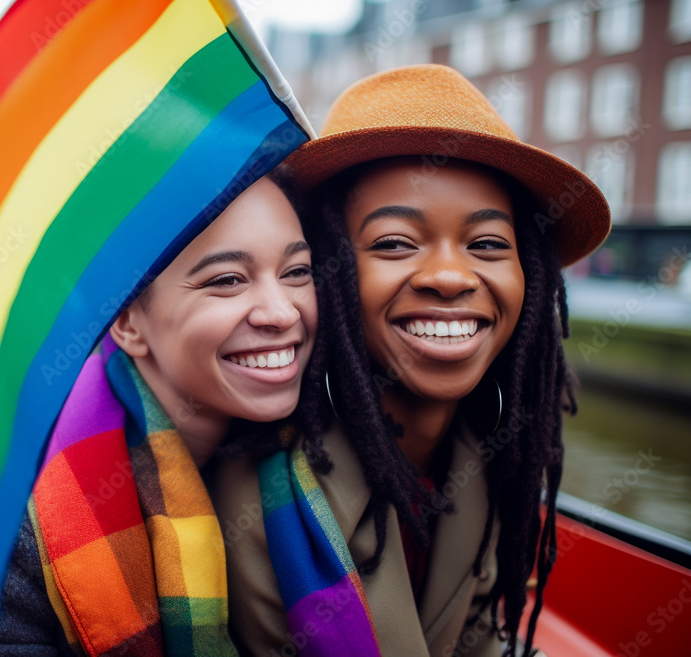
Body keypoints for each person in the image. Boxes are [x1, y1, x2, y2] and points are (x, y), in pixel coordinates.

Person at [211, 64, 612, 657]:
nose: (451, 276)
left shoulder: (497, 463)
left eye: (487, 245)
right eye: (395, 242)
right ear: (330, 269)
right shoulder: (267, 504)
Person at [0, 174, 324, 655]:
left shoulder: (334, 465)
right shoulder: (22, 522)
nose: (282, 312)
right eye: (227, 280)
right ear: (126, 322)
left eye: (296, 272)